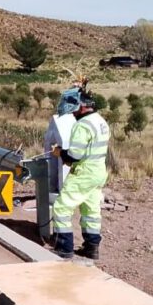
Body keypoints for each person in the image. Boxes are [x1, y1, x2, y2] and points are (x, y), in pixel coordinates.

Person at [49, 88, 110, 260]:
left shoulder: (82, 125)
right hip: (98, 172)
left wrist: (60, 152)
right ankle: (92, 248)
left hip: (84, 173)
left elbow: (75, 155)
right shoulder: (100, 121)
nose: (72, 112)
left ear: (81, 106)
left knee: (62, 207)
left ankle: (64, 247)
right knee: (91, 209)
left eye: (73, 108)